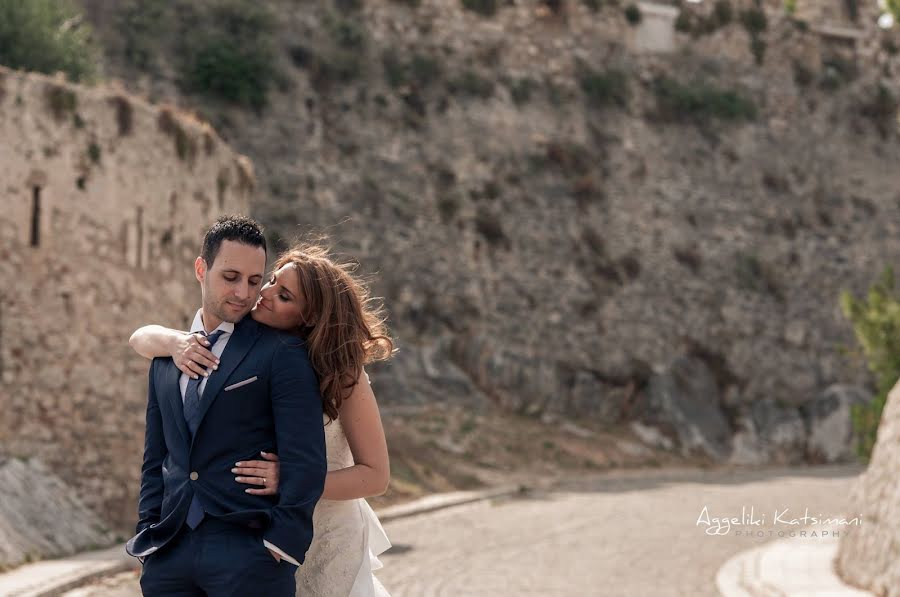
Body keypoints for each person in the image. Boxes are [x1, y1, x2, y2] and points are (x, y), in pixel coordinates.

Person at [129, 240, 395, 596]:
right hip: (255, 530)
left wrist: (293, 479)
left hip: (324, 534)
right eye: (271, 281)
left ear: (310, 316)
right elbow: (142, 339)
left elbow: (376, 477)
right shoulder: (244, 347)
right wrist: (171, 341)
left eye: (284, 296)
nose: (263, 294)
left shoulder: (343, 373)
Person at [125, 215, 328, 596]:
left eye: (255, 281)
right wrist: (149, 536)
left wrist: (280, 546)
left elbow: (307, 458)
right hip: (169, 554)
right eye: (230, 277)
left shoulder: (281, 353)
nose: (244, 293)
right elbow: (156, 457)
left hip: (250, 556)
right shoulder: (166, 359)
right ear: (201, 269)